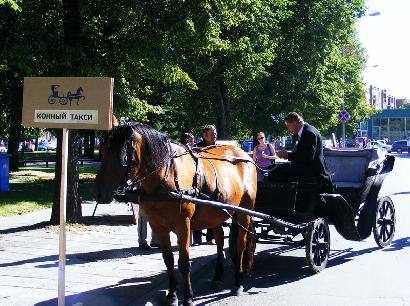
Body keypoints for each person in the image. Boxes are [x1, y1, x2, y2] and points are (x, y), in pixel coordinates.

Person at [268, 112, 331, 187]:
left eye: (288, 125)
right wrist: (288, 155)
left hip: (312, 170)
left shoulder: (308, 133)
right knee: (273, 168)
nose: (288, 128)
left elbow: (308, 156)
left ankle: (283, 197)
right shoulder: (306, 130)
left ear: (294, 122)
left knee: (275, 171)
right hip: (307, 167)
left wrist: (287, 155)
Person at [192, 124, 217, 245]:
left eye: (215, 134)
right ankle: (197, 238)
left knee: (214, 208)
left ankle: (210, 237)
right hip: (201, 182)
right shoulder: (196, 148)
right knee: (198, 208)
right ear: (205, 135)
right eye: (212, 134)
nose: (214, 136)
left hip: (215, 182)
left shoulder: (218, 148)